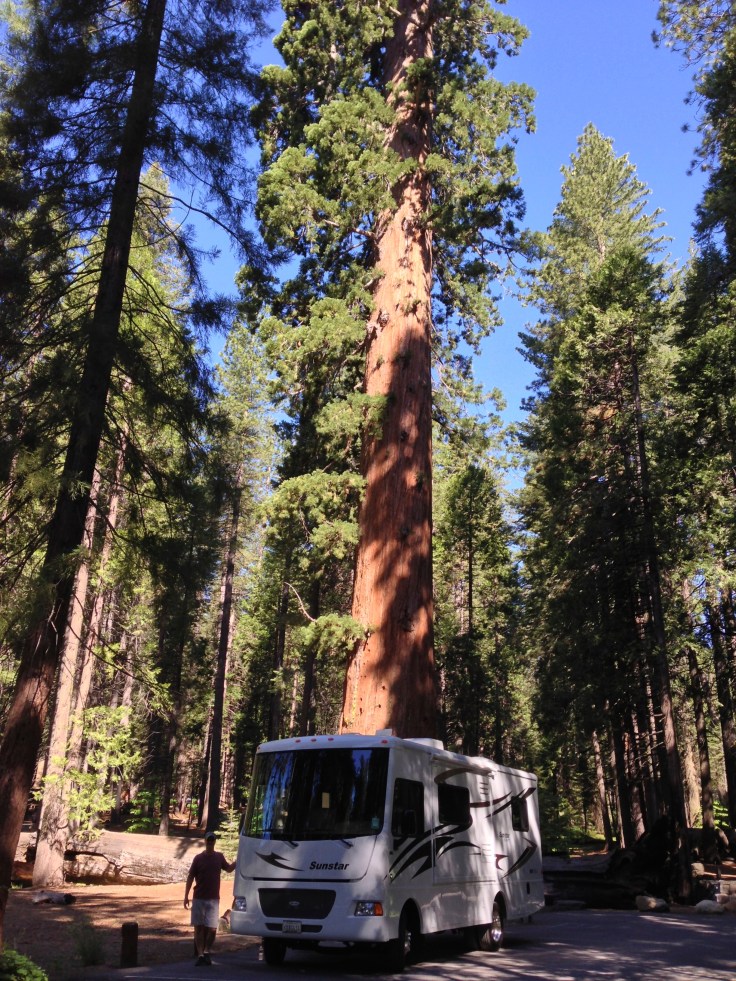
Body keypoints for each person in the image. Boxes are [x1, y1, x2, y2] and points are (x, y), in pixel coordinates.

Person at [184, 831, 236, 966]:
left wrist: (238, 860)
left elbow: (229, 869)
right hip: (199, 898)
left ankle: (207, 951)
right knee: (199, 928)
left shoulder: (219, 857)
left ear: (214, 842)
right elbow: (190, 877)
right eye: (208, 840)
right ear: (205, 841)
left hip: (213, 899)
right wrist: (186, 896)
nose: (210, 842)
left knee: (212, 928)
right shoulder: (198, 858)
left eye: (212, 840)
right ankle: (201, 954)